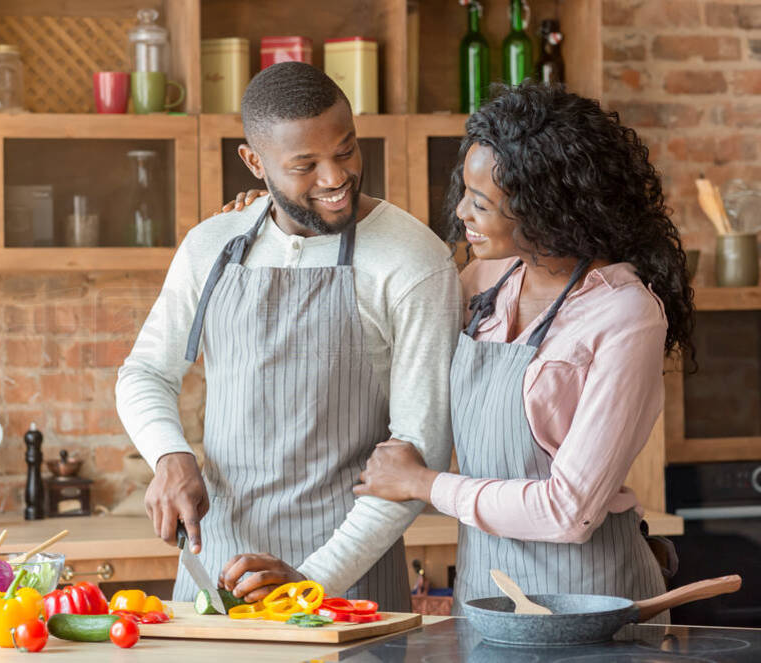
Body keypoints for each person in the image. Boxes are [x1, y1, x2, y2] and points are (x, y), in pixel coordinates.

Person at [115, 62, 461, 611]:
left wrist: (311, 580)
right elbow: (145, 372)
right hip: (217, 573)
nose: (334, 178)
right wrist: (169, 455)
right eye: (305, 165)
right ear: (254, 162)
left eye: (346, 150)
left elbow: (420, 449)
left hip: (347, 582)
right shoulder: (212, 245)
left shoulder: (412, 260)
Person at [352, 82, 695, 616]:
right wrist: (272, 213)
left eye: (482, 202)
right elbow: (397, 280)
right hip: (487, 600)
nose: (462, 210)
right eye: (465, 190)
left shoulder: (625, 315)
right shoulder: (485, 280)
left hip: (592, 603)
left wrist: (423, 484)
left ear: (546, 209)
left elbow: (568, 511)